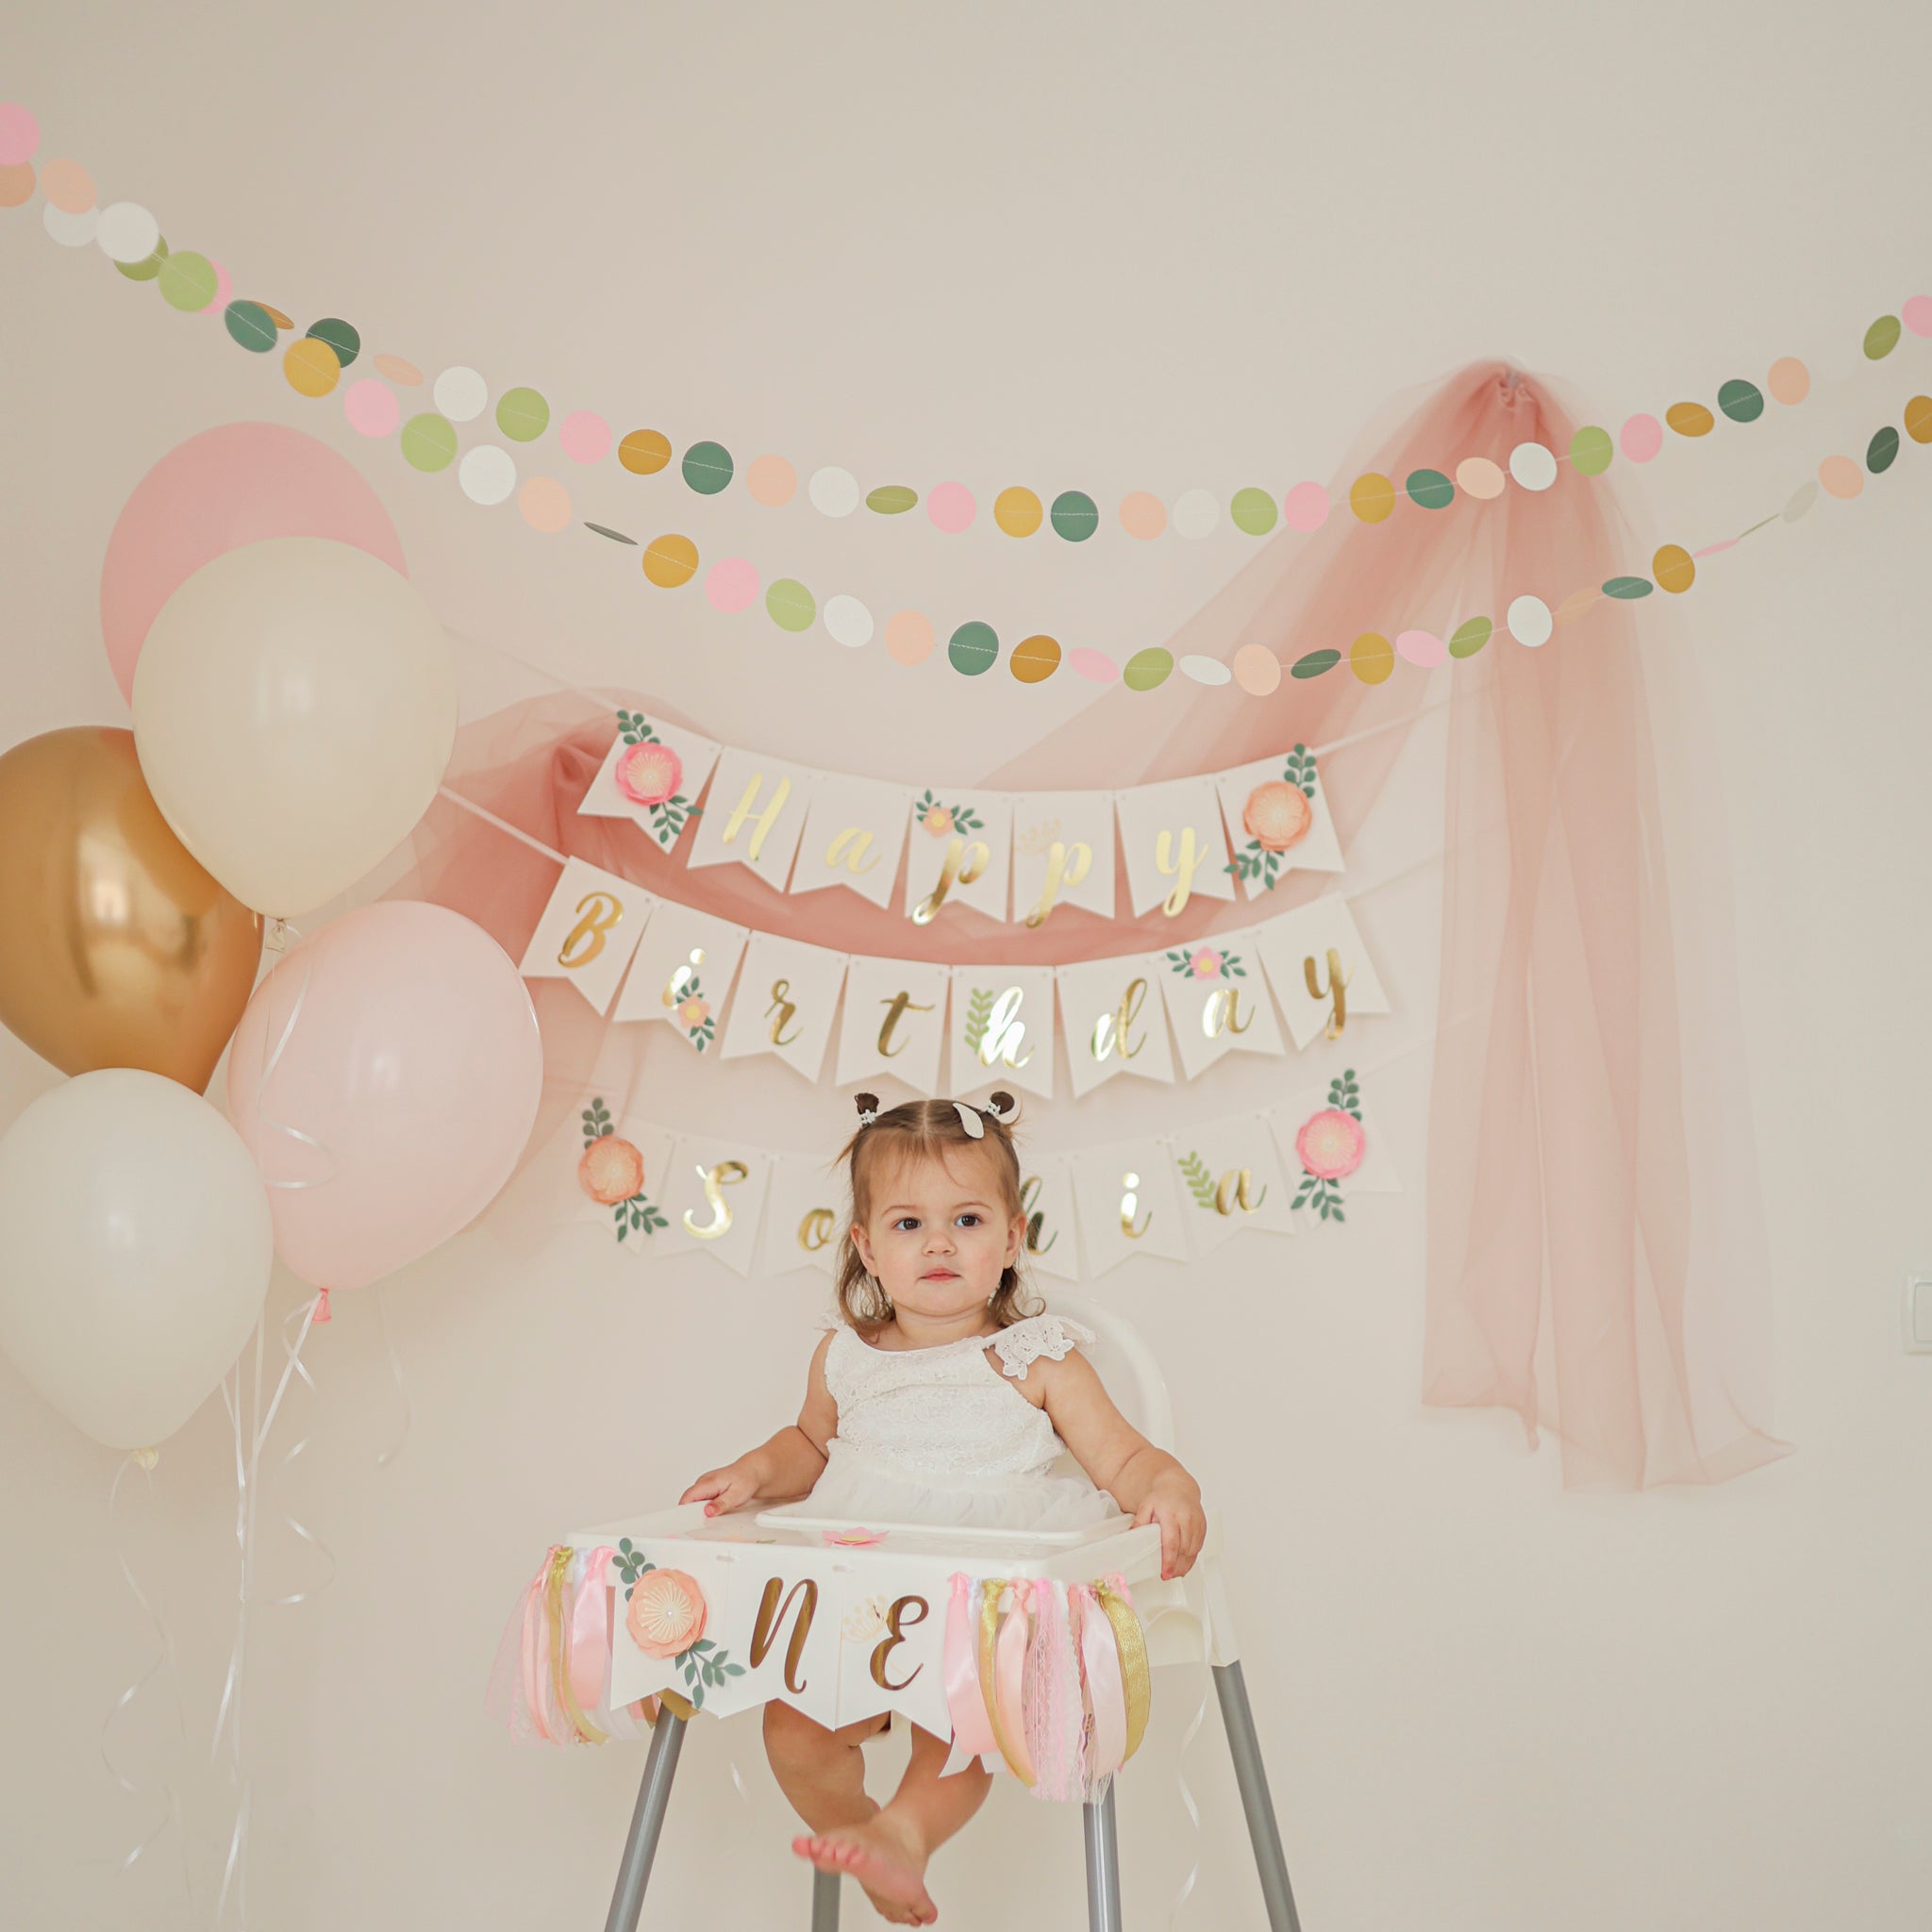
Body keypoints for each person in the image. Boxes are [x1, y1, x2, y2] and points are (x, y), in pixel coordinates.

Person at [680, 1091, 1206, 1927]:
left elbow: (1122, 1458)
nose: (937, 1243)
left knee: (958, 1724)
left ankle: (908, 1830)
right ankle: (866, 1837)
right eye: (906, 1225)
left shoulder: (1037, 1358)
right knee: (793, 1728)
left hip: (979, 1600)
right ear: (865, 1247)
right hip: (857, 1593)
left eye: (965, 1220)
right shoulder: (846, 1357)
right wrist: (754, 1472)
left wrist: (1169, 1486)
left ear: (1011, 1237)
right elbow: (810, 1446)